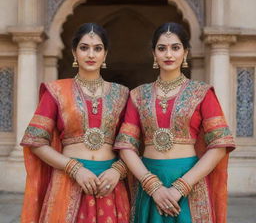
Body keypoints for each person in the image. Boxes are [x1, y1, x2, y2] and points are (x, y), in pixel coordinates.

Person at [114, 22, 235, 223]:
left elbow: (220, 144)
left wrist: (182, 186)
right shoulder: (138, 95)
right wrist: (153, 186)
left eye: (175, 48)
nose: (168, 54)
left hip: (190, 181)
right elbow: (126, 145)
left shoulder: (202, 93)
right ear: (154, 54)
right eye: (162, 48)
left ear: (185, 52)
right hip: (149, 181)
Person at [20, 23, 130, 223]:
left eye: (97, 48)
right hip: (68, 181)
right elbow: (35, 141)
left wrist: (118, 170)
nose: (91, 54)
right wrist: (75, 168)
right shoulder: (57, 91)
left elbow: (134, 144)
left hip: (110, 184)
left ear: (105, 54)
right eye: (84, 47)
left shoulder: (122, 94)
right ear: (74, 52)